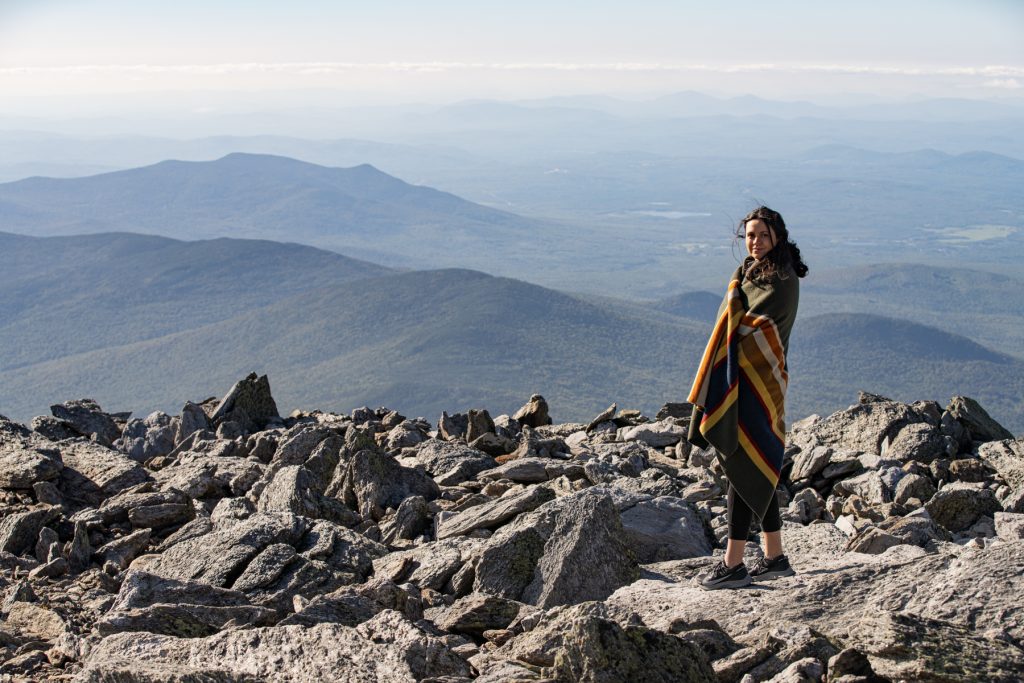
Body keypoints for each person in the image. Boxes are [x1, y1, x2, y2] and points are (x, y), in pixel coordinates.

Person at [686, 206, 808, 590]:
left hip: (760, 382)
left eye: (762, 236)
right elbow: (731, 321)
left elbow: (758, 330)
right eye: (749, 236)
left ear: (778, 238)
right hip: (736, 378)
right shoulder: (745, 275)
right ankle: (774, 556)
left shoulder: (784, 279)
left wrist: (733, 326)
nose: (754, 242)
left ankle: (733, 563)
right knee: (755, 460)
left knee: (743, 462)